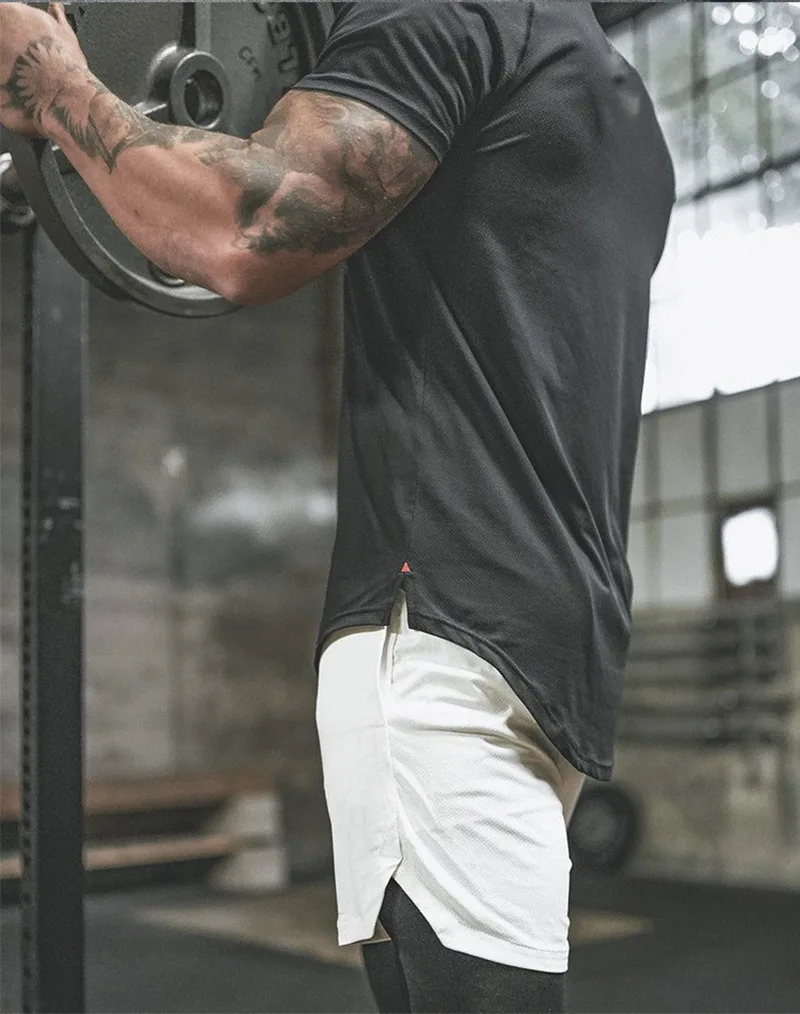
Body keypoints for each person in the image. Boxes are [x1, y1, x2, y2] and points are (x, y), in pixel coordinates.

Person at [0, 3, 675, 1011]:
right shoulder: (619, 103)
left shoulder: (447, 12)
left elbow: (241, 227)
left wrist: (55, 85)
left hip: (439, 638)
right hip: (554, 640)